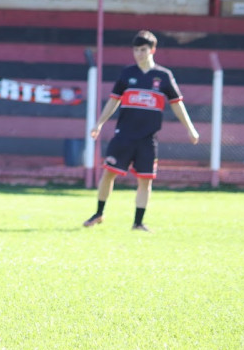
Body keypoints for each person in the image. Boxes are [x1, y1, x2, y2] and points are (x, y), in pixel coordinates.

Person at [84, 30, 199, 232]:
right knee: (108, 174)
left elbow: (177, 104)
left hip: (147, 139)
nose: (139, 54)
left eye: (143, 50)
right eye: (136, 50)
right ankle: (99, 213)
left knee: (145, 180)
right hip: (124, 136)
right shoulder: (127, 74)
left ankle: (138, 223)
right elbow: (114, 100)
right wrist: (99, 123)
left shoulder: (163, 76)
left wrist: (190, 128)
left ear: (152, 50)